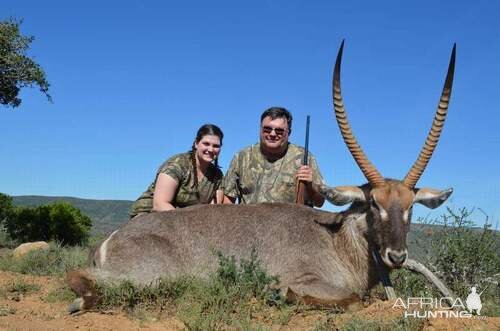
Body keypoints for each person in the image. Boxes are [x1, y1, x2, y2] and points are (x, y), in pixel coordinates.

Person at [222, 107, 325, 206]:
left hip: (289, 223)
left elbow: (319, 202)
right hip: (247, 223)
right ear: (260, 129)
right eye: (267, 129)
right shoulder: (241, 157)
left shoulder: (305, 158)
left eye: (279, 131)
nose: (272, 134)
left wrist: (311, 186)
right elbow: (227, 202)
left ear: (289, 132)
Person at [130, 124, 224, 218]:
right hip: (151, 216)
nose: (211, 149)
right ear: (196, 143)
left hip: (188, 222)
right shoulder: (177, 164)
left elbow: (212, 210)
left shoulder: (218, 176)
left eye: (216, 146)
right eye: (206, 144)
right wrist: (190, 223)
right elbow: (160, 205)